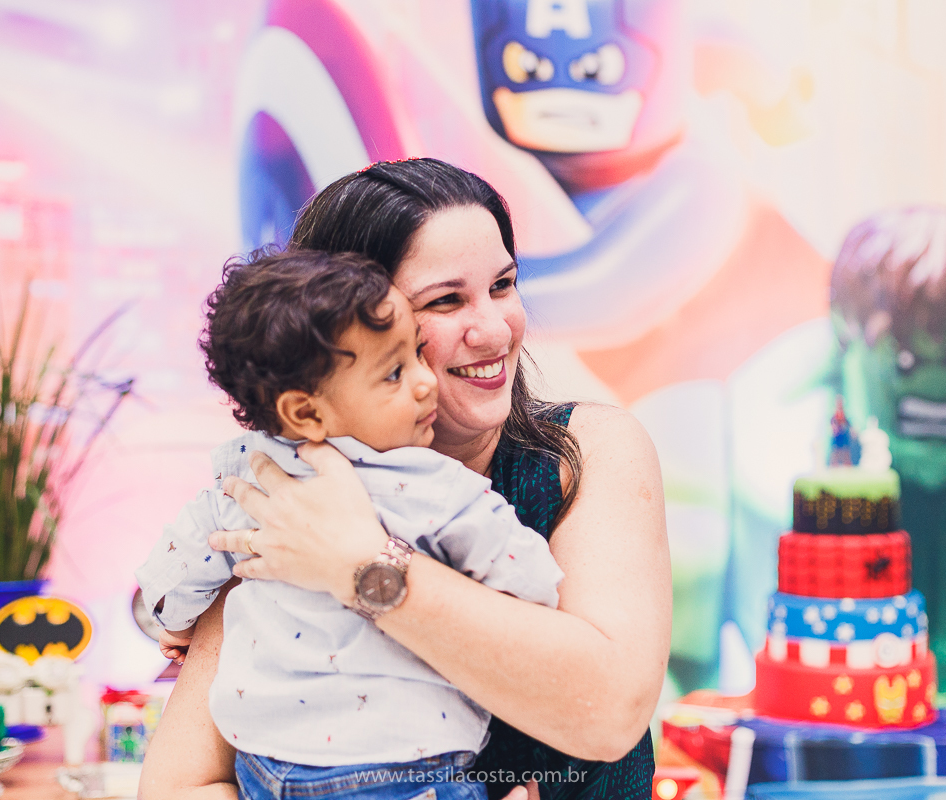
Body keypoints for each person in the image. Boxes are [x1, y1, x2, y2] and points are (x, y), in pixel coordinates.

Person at [138, 158, 672, 800]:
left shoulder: (584, 451)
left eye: (503, 285)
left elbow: (608, 710)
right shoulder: (286, 488)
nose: (495, 328)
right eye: (445, 301)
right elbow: (177, 787)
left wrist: (361, 565)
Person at [136, 248, 565, 798]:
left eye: (414, 355)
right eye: (394, 372)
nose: (424, 382)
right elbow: (531, 585)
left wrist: (176, 622)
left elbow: (174, 572)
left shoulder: (246, 475)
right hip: (402, 771)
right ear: (305, 412)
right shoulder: (433, 484)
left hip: (266, 768)